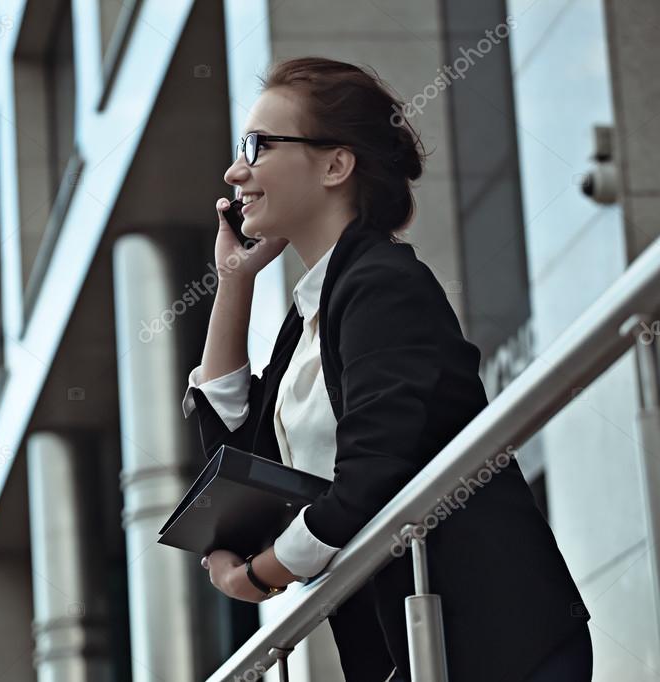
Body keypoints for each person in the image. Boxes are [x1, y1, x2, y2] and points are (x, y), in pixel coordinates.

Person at [182, 56, 592, 682]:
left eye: (259, 146)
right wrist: (235, 284)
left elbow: (373, 475)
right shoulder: (313, 315)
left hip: (500, 644)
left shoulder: (383, 286)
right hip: (417, 648)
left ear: (336, 165)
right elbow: (243, 460)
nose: (236, 170)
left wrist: (262, 573)